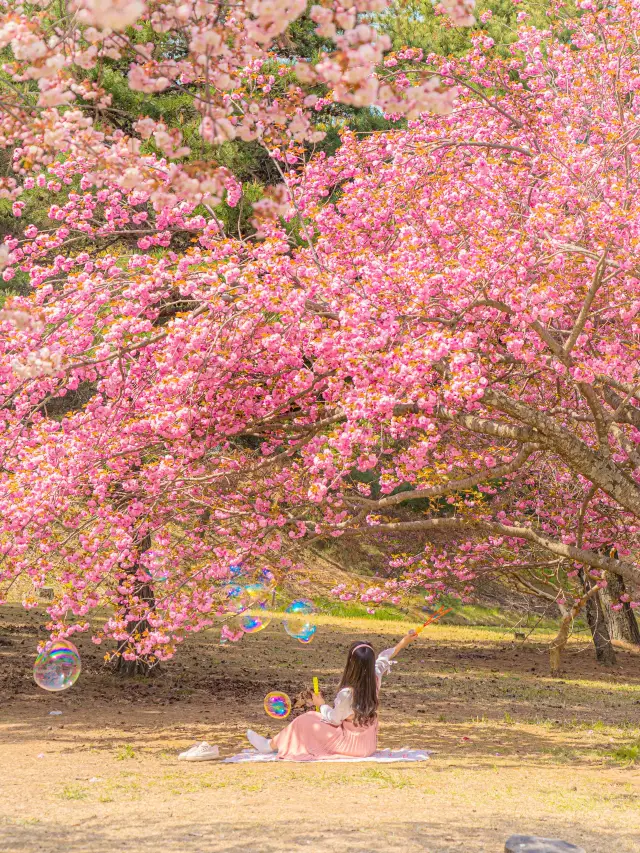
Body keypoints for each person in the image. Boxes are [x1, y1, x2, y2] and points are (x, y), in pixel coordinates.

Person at [246, 629, 419, 761]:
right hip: (368, 744)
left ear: (351, 664)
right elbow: (385, 657)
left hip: (352, 745)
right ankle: (276, 743)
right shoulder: (375, 676)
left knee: (307, 718)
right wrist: (404, 641)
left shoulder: (347, 694)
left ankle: (269, 745)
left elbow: (335, 720)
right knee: (314, 718)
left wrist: (321, 704)